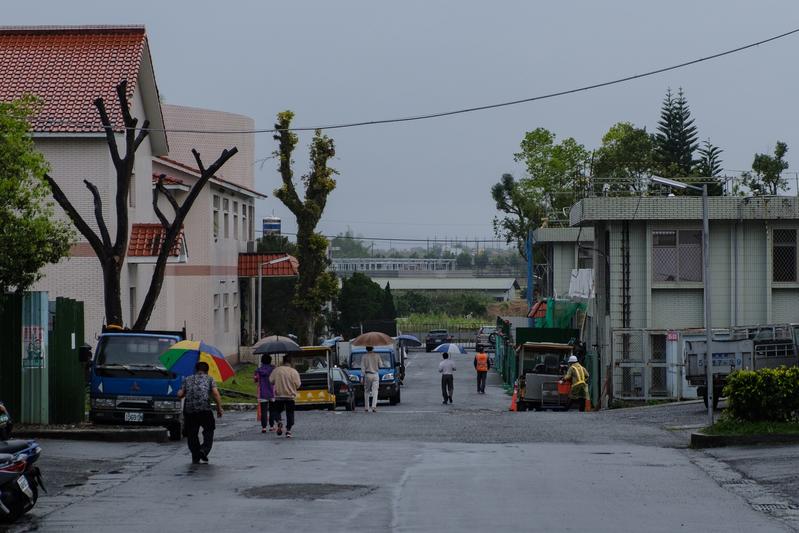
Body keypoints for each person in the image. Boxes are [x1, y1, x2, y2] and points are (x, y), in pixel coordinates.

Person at [178, 361, 223, 464]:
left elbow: (180, 395)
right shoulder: (209, 379)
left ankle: (195, 455)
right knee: (209, 430)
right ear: (207, 371)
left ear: (196, 370)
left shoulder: (187, 379)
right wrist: (219, 408)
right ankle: (203, 450)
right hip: (204, 410)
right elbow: (215, 394)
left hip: (190, 411)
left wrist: (180, 392)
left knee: (192, 434)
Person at [269, 356, 302, 438]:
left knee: (276, 411)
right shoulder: (293, 371)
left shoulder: (277, 370)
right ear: (291, 362)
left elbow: (271, 381)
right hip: (290, 396)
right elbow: (298, 384)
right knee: (290, 413)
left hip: (279, 396)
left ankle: (279, 421)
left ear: (283, 361)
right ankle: (288, 431)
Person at [254, 354, 276, 433]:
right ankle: (272, 426)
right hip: (272, 392)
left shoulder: (258, 370)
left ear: (261, 361)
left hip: (262, 392)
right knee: (272, 410)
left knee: (263, 411)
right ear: (270, 361)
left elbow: (255, 380)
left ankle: (263, 427)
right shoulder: (273, 369)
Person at [361, 346, 381, 413]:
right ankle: (374, 407)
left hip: (367, 374)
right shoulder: (377, 355)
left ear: (366, 349)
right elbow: (381, 365)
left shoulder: (364, 356)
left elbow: (362, 367)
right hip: (375, 374)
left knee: (367, 391)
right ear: (373, 348)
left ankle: (366, 407)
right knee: (375, 391)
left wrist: (362, 377)